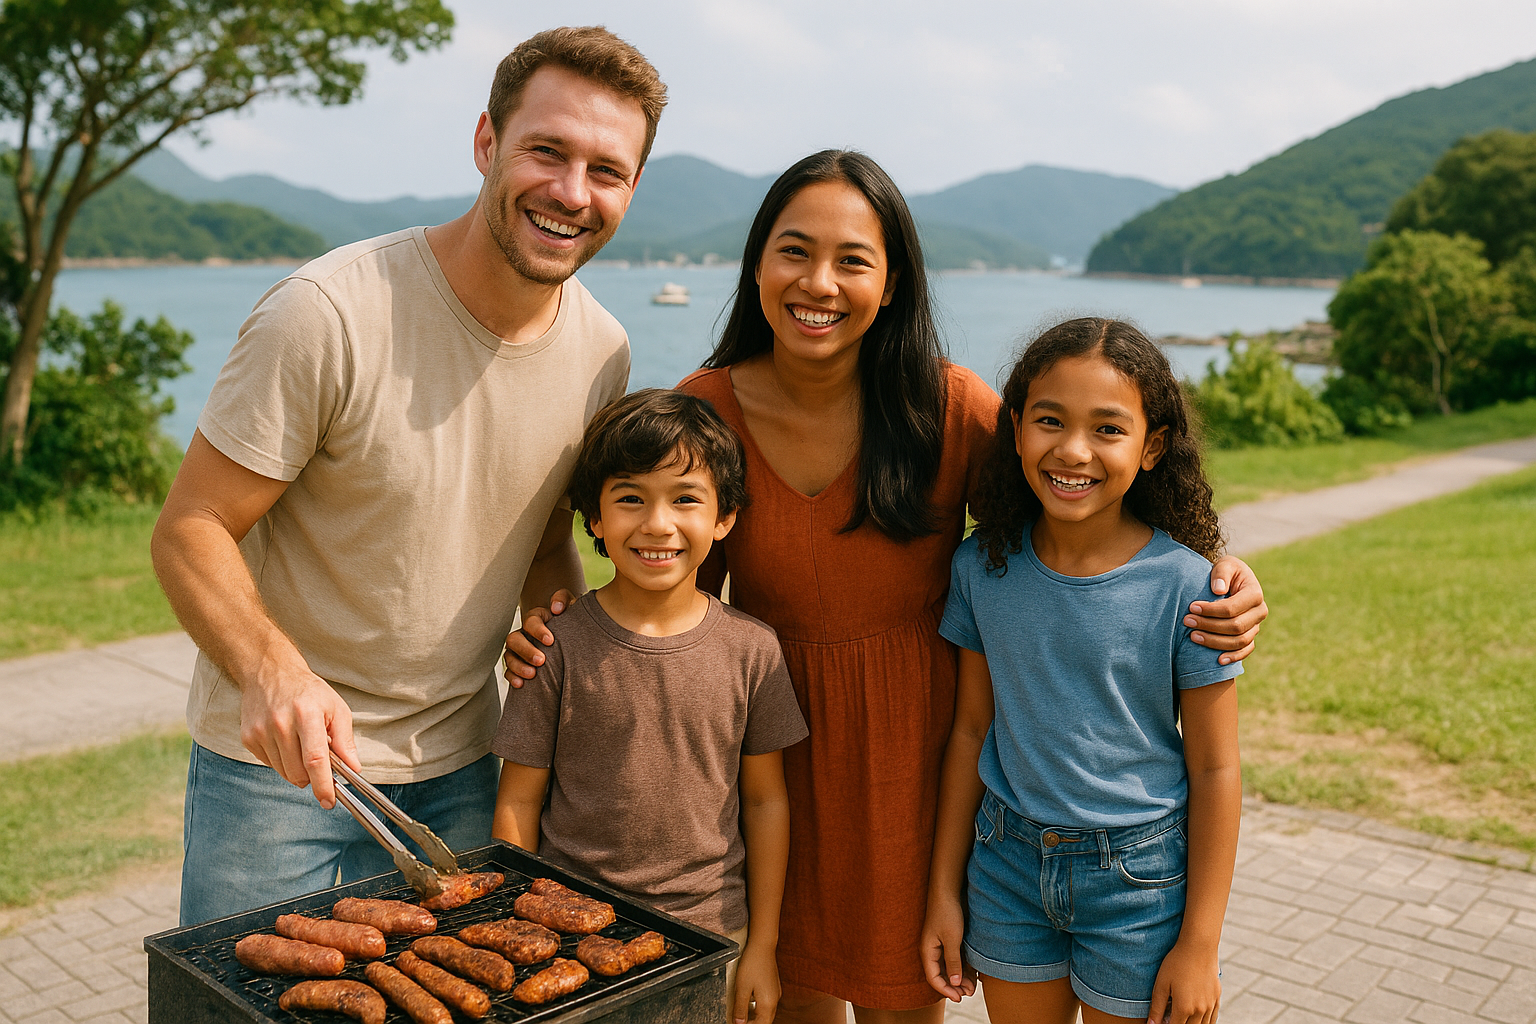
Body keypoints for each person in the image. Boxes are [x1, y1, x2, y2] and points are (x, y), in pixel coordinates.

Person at [509, 149, 1268, 1023]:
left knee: (905, 1001)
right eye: (793, 251)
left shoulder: (949, 407)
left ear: (894, 280)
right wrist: (563, 635)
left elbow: (1081, 492)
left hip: (923, 762)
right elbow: (663, 592)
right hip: (768, 756)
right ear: (757, 261)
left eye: (853, 260)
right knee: (792, 999)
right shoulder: (705, 410)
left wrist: (1221, 569)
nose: (818, 282)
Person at [150, 26, 666, 926]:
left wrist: (562, 647)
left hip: (465, 769)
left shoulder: (603, 354)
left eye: (606, 170)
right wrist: (273, 670)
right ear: (485, 142)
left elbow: (544, 534)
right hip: (278, 774)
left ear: (632, 188)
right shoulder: (327, 313)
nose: (570, 192)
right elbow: (191, 528)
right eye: (546, 151)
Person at [921, 318, 1241, 1024]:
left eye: (1108, 429)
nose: (1073, 451)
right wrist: (944, 890)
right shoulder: (982, 567)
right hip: (1006, 868)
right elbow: (970, 729)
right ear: (1014, 427)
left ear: (1153, 446)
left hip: (1140, 883)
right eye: (1050, 421)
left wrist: (1200, 945)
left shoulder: (1190, 589)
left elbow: (1216, 769)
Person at [492, 389, 807, 1024]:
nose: (657, 523)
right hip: (570, 938)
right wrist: (523, 928)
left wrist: (763, 949)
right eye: (630, 497)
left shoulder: (754, 651)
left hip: (712, 938)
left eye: (686, 498)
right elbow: (518, 801)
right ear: (595, 520)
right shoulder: (556, 648)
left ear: (725, 518)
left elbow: (767, 802)